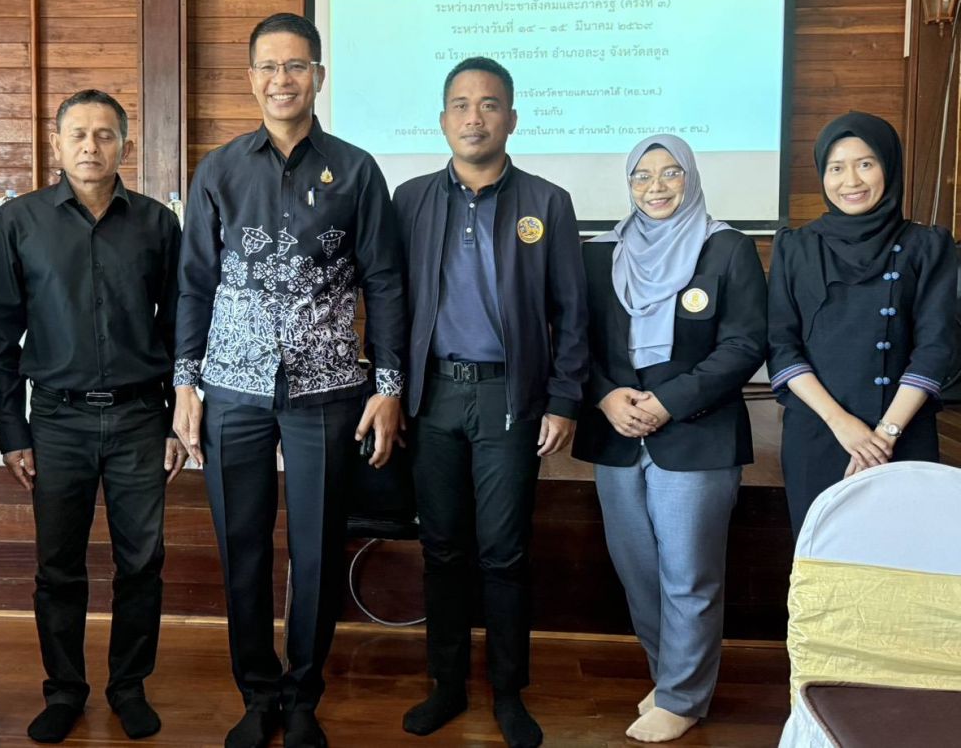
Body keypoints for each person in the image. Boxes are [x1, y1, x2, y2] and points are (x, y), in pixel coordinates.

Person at [172, 12, 405, 748]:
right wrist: (185, 385)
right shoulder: (218, 170)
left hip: (327, 388)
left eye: (297, 66)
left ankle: (303, 693)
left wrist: (389, 386)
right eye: (269, 67)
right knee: (241, 546)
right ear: (251, 80)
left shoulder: (357, 170)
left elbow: (386, 282)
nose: (283, 79)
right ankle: (257, 693)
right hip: (232, 389)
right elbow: (193, 284)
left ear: (319, 77)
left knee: (317, 548)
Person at [0, 90, 183, 743]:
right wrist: (12, 431)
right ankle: (65, 690)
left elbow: (179, 327)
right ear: (57, 145)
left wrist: (175, 420)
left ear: (126, 145)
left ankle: (129, 687)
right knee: (57, 568)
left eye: (105, 135)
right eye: (78, 135)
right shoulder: (19, 221)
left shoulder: (157, 224)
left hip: (139, 418)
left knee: (141, 564)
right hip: (56, 421)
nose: (91, 147)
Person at [392, 57, 587, 748]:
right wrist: (392, 390)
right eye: (461, 105)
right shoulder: (411, 199)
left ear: (512, 118)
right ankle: (446, 685)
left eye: (489, 104)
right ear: (443, 119)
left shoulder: (546, 202)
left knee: (504, 552)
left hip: (511, 396)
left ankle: (508, 691)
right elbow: (390, 302)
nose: (474, 117)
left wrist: (563, 400)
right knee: (442, 549)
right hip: (433, 396)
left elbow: (572, 311)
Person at [573, 135, 767, 743]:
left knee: (689, 575)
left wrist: (668, 402)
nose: (655, 187)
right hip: (617, 432)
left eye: (670, 173)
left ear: (691, 177)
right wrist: (606, 396)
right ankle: (670, 678)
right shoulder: (599, 253)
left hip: (696, 431)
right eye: (642, 176)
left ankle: (683, 697)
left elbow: (744, 344)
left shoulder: (726, 247)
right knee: (638, 572)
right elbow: (574, 340)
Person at [768, 111, 956, 534]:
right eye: (836, 168)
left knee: (902, 558)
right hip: (818, 432)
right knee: (822, 560)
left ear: (889, 166)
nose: (850, 181)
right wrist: (843, 425)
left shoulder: (928, 245)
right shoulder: (795, 247)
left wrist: (884, 436)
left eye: (865, 164)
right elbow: (781, 347)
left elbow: (935, 347)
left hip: (902, 432)